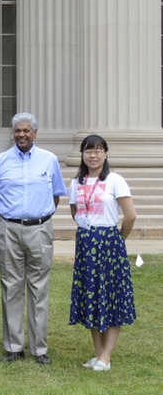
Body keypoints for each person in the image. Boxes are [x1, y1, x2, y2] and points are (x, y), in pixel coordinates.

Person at [0, 112, 67, 365]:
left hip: (40, 229)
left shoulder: (49, 159)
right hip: (9, 228)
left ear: (35, 132)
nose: (21, 134)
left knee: (39, 288)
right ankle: (14, 347)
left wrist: (38, 217)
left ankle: (39, 348)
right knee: (11, 287)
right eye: (17, 131)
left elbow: (55, 196)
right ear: (13, 133)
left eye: (26, 131)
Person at [68, 135, 137, 372]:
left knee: (112, 297)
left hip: (109, 243)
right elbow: (75, 212)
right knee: (92, 297)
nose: (93, 155)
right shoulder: (77, 182)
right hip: (86, 244)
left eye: (98, 151)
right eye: (88, 151)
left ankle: (106, 356)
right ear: (82, 154)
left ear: (106, 154)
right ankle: (98, 355)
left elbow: (130, 215)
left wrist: (119, 238)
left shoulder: (115, 180)